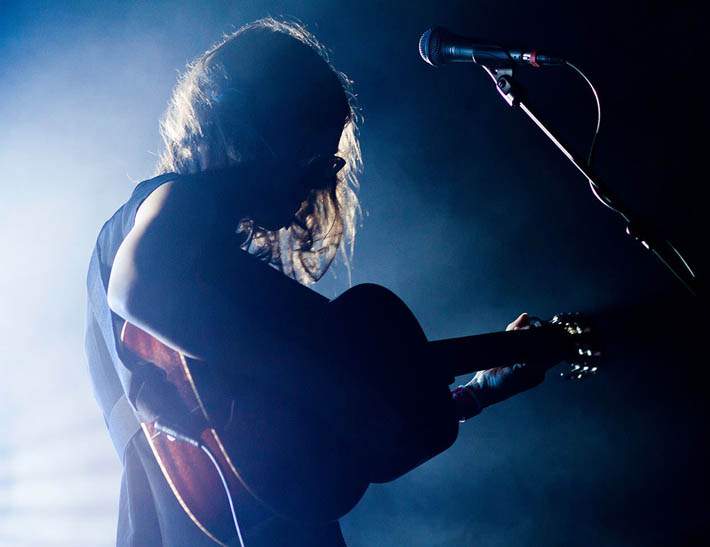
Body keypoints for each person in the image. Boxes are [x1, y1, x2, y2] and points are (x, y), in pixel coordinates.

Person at [84, 18, 572, 546]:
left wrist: (475, 394)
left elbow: (329, 446)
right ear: (251, 135)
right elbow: (138, 290)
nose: (322, 180)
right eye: (316, 158)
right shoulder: (178, 201)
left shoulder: (208, 293)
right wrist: (322, 381)